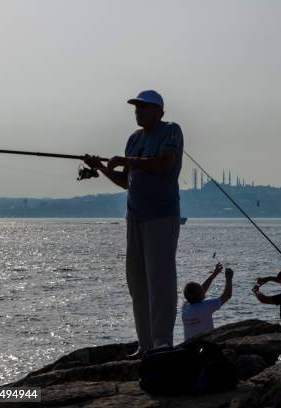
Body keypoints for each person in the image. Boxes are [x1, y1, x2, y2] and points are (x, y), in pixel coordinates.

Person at [84, 90, 183, 356]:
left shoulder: (171, 131)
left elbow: (165, 163)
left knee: (160, 281)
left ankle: (162, 341)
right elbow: (125, 181)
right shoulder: (133, 139)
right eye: (136, 108)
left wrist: (129, 161)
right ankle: (145, 343)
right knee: (137, 283)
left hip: (162, 216)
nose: (138, 111)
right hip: (135, 217)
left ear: (159, 111)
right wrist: (102, 167)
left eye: (143, 107)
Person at [182, 263, 233, 341]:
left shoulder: (185, 307)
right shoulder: (205, 307)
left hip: (188, 347)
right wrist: (228, 278)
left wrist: (214, 274)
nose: (203, 290)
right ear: (199, 294)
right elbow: (227, 295)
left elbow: (200, 291)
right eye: (200, 289)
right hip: (205, 346)